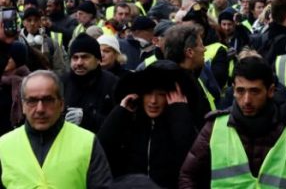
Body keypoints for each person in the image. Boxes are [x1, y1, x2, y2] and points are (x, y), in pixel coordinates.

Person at [178, 56, 286, 188]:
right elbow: (188, 176)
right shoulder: (215, 127)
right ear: (233, 89)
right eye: (240, 91)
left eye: (254, 91)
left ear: (270, 91)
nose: (246, 100)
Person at [0, 70, 112, 188]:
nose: (40, 109)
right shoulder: (4, 145)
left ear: (61, 104)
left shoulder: (87, 142)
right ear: (23, 106)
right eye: (32, 101)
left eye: (48, 100)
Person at [98, 61, 196, 189]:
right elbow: (101, 150)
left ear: (172, 96)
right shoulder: (130, 122)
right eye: (148, 93)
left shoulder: (181, 123)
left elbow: (191, 161)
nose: (153, 101)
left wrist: (180, 115)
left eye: (161, 94)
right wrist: (119, 112)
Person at [61, 33, 118, 133]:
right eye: (75, 57)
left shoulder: (112, 83)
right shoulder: (61, 82)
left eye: (85, 57)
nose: (79, 63)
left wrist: (88, 118)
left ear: (97, 60)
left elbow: (118, 124)